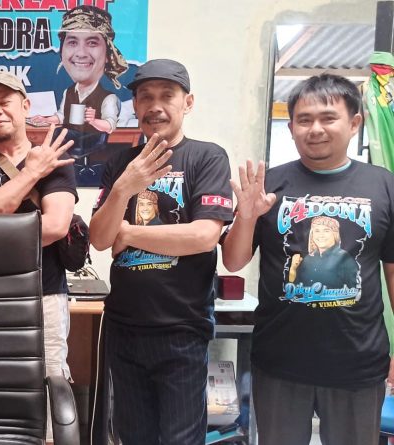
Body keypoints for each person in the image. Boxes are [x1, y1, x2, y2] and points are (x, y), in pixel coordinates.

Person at [222, 73, 394, 445]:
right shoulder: (269, 184)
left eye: (328, 118)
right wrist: (246, 215)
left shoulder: (383, 185)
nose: (315, 129)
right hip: (280, 361)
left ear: (354, 123)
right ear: (291, 128)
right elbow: (233, 261)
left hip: (358, 362)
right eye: (304, 120)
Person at [89, 58, 234, 444]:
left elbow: (203, 236)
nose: (155, 106)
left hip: (182, 328)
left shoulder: (207, 157)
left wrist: (128, 233)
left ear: (188, 102)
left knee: (180, 439)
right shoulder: (119, 162)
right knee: (131, 436)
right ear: (134, 106)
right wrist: (124, 187)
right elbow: (100, 238)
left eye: (167, 96)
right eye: (145, 97)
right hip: (124, 326)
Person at [0, 70, 76, 398]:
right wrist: (32, 172)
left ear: (25, 106)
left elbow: (56, 226)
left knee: (47, 390)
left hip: (44, 296)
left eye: (5, 102)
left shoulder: (56, 160)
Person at [32, 5, 128, 177]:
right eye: (72, 42)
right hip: (70, 135)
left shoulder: (108, 98)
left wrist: (94, 121)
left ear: (108, 53)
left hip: (92, 138)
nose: (81, 53)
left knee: (59, 134)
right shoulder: (68, 92)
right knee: (56, 132)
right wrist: (45, 120)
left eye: (92, 43)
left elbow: (110, 126)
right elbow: (62, 116)